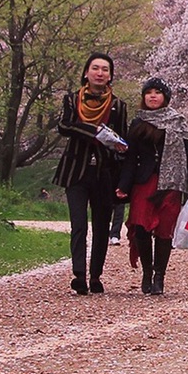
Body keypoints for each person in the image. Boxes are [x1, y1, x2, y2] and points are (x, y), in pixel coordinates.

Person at [53, 52, 129, 295]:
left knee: (101, 225)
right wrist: (94, 131)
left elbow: (122, 140)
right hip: (76, 170)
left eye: (105, 69)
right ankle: (79, 275)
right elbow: (65, 126)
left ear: (110, 76)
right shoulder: (72, 100)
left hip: (105, 172)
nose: (100, 73)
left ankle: (96, 275)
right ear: (86, 72)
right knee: (78, 224)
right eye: (95, 68)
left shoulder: (118, 106)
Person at [116, 77, 188, 295]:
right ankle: (146, 270)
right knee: (141, 226)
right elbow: (130, 157)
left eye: (158, 92)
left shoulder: (177, 121)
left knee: (164, 230)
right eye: (149, 92)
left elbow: (187, 153)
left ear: (166, 97)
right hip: (144, 182)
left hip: (171, 183)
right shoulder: (137, 122)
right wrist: (123, 184)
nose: (153, 96)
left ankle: (159, 276)